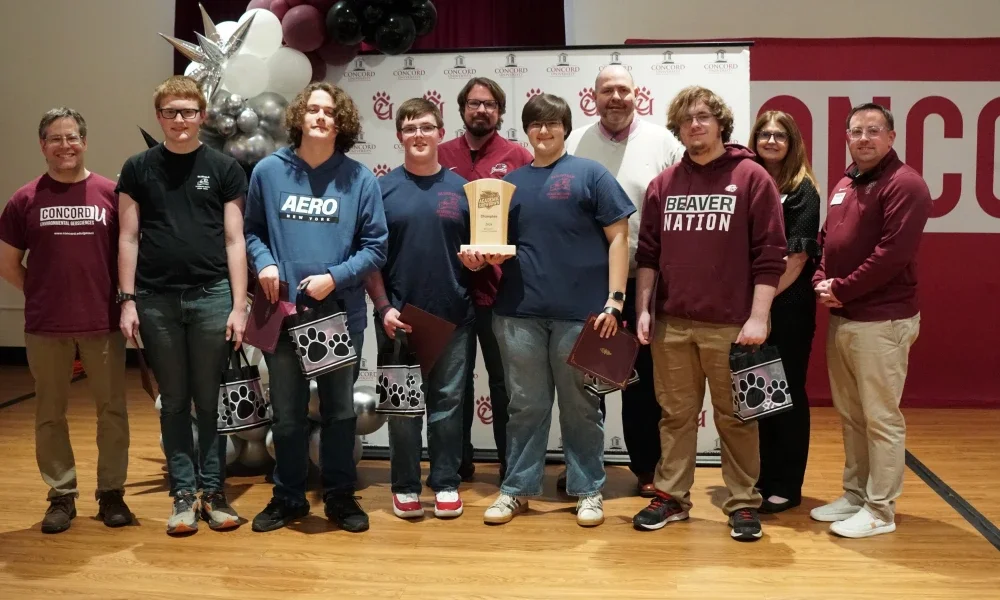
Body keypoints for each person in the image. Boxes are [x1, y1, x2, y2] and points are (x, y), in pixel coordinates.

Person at [632, 86, 786, 542]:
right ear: (677, 128)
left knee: (737, 417)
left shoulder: (752, 176)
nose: (695, 125)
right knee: (675, 415)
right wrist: (643, 310)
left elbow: (770, 255)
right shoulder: (664, 184)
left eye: (703, 117)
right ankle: (672, 496)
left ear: (721, 123)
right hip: (672, 323)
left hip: (733, 325)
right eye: (686, 119)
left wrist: (759, 318)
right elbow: (648, 256)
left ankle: (742, 503)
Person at [480, 93, 634, 527]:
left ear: (566, 128)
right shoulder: (508, 185)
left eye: (552, 123)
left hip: (581, 316)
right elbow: (496, 247)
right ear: (525, 131)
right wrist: (481, 258)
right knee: (525, 406)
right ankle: (516, 490)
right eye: (535, 124)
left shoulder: (592, 175)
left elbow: (619, 237)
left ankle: (588, 490)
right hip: (517, 314)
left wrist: (615, 301)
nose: (543, 131)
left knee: (581, 407)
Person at [245, 82, 387, 533]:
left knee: (339, 412)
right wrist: (265, 263)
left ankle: (340, 497)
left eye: (329, 111)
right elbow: (251, 232)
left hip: (338, 314)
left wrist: (336, 278)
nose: (321, 117)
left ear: (340, 121)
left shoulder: (359, 178)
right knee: (286, 412)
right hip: (284, 311)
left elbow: (376, 247)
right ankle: (288, 496)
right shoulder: (268, 172)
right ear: (299, 118)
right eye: (313, 109)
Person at [117, 76, 247, 535]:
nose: (179, 120)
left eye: (188, 112)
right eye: (171, 112)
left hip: (213, 297)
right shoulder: (136, 168)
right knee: (173, 402)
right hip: (154, 300)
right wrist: (128, 301)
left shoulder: (224, 167)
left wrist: (239, 304)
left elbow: (234, 240)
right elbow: (128, 236)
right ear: (159, 116)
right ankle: (183, 496)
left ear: (202, 116)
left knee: (210, 401)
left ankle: (214, 494)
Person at [0, 108, 131, 533]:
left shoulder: (110, 193)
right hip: (45, 326)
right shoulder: (24, 199)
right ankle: (61, 495)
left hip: (103, 321)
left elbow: (128, 254)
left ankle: (111, 494)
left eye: (71, 137)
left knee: (112, 411)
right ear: (42, 146)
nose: (64, 146)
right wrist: (41, 293)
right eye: (54, 139)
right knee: (49, 413)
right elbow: (7, 262)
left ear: (85, 142)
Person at [810, 103, 931, 538]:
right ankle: (856, 495)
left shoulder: (906, 184)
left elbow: (892, 255)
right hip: (845, 316)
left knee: (880, 417)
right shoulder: (846, 182)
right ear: (846, 137)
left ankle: (881, 510)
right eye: (856, 131)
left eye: (873, 130)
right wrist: (823, 277)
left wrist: (841, 288)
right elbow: (827, 240)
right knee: (851, 414)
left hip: (882, 321)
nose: (864, 138)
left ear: (891, 137)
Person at [565, 64, 684, 497]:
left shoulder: (663, 142)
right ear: (592, 96)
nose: (615, 97)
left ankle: (646, 468)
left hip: (646, 284)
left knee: (643, 384)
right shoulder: (575, 141)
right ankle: (584, 466)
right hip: (587, 284)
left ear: (637, 95)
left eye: (623, 90)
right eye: (606, 90)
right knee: (586, 382)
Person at [365, 98, 477, 520]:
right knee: (404, 409)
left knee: (449, 405)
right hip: (398, 320)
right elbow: (370, 257)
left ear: (440, 132)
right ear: (398, 136)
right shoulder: (381, 190)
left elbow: (473, 251)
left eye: (426, 127)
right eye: (409, 128)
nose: (418, 135)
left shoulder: (462, 190)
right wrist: (383, 308)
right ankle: (405, 487)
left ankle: (446, 483)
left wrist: (478, 261)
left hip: (453, 318)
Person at [438, 77, 533, 483]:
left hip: (500, 292)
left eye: (490, 104)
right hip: (450, 291)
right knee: (452, 387)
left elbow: (529, 221)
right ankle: (456, 463)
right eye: (474, 103)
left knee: (505, 386)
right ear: (461, 110)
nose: (482, 110)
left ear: (500, 111)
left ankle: (511, 467)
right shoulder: (439, 156)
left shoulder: (519, 157)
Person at [747, 111, 821, 513]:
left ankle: (787, 484)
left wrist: (763, 302)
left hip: (786, 306)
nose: (771, 140)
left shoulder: (803, 189)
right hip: (752, 307)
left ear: (792, 143)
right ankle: (762, 477)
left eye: (780, 135)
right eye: (765, 133)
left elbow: (795, 259)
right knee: (759, 394)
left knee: (787, 394)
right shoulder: (749, 182)